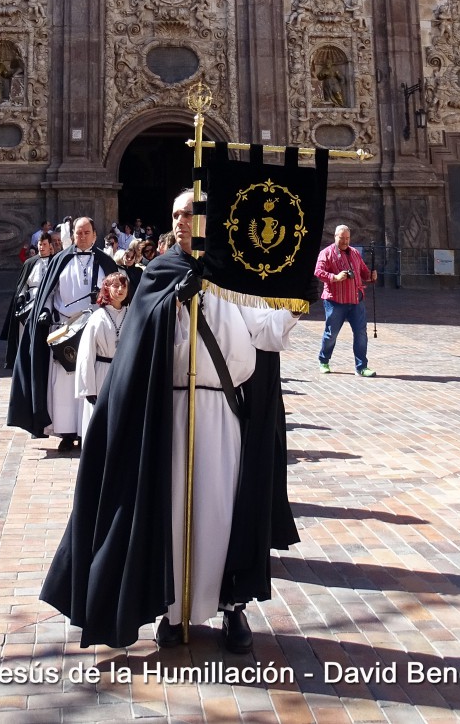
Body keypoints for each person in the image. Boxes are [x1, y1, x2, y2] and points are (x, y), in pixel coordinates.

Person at [41, 188, 299, 653]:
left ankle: (231, 608)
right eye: (176, 213)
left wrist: (297, 299)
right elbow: (138, 342)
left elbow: (266, 333)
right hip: (172, 410)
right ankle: (174, 611)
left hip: (223, 409)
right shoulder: (160, 274)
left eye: (192, 213)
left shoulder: (237, 272)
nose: (182, 221)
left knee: (221, 511)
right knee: (174, 510)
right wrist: (170, 306)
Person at [8, 217, 117, 453]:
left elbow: (118, 294)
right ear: (73, 235)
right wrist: (45, 311)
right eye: (79, 233)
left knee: (92, 379)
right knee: (64, 384)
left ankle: (89, 429)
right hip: (65, 329)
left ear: (95, 235)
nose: (83, 236)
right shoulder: (61, 260)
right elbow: (48, 292)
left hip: (95, 329)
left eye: (87, 232)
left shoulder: (107, 262)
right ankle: (67, 432)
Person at [314, 224, 377, 377]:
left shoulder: (355, 253)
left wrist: (371, 276)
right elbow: (318, 271)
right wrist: (334, 277)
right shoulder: (326, 253)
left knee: (361, 333)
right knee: (331, 334)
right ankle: (324, 360)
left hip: (356, 300)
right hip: (335, 301)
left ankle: (361, 366)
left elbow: (363, 272)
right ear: (335, 237)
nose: (344, 241)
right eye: (342, 238)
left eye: (347, 238)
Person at [74, 269, 129, 438]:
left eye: (124, 286)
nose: (120, 290)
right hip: (102, 373)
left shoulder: (132, 314)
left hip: (124, 373)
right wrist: (88, 388)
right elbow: (86, 354)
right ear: (107, 289)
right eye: (116, 286)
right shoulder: (97, 317)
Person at [0, 230, 57, 370]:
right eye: (39, 244)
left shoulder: (56, 261)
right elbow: (23, 284)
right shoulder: (30, 263)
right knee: (26, 333)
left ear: (50, 245)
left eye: (44, 244)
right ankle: (25, 361)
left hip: (49, 300)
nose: (41, 247)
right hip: (30, 301)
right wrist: (20, 299)